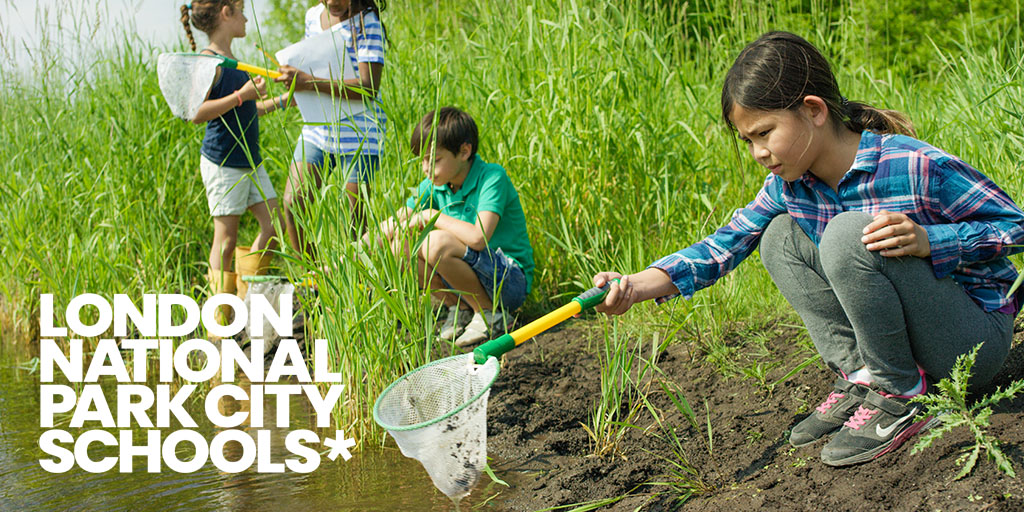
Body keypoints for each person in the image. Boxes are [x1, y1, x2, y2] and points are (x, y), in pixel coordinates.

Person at [592, 31, 1024, 467]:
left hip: (969, 342)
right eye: (748, 141)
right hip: (915, 337)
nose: (759, 153)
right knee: (779, 236)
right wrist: (632, 287)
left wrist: (933, 241)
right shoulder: (789, 186)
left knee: (843, 235)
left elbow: (1016, 226)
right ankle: (864, 377)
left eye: (765, 133)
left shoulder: (913, 165)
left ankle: (901, 395)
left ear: (813, 110)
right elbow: (723, 245)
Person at [377, 107, 535, 347]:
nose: (426, 168)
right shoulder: (434, 185)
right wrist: (348, 256)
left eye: (435, 159)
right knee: (400, 245)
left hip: (506, 281)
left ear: (464, 151)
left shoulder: (492, 177)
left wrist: (432, 215)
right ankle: (459, 308)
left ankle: (490, 314)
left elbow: (478, 238)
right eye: (423, 160)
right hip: (467, 279)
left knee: (436, 243)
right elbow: (395, 221)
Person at [180, 0, 289, 307]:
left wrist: (281, 102)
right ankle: (221, 316)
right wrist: (242, 95)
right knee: (226, 241)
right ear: (226, 13)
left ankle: (244, 297)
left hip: (249, 160)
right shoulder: (209, 62)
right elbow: (196, 113)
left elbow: (245, 112)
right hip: (223, 162)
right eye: (240, 10)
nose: (245, 18)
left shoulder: (233, 61)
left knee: (273, 225)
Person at [275, 0, 388, 258]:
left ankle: (360, 283)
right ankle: (314, 278)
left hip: (360, 132)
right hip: (319, 127)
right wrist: (295, 83)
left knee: (356, 216)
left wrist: (309, 82)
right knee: (294, 203)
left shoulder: (366, 23)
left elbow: (368, 88)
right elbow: (309, 69)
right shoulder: (313, 17)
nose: (333, 4)